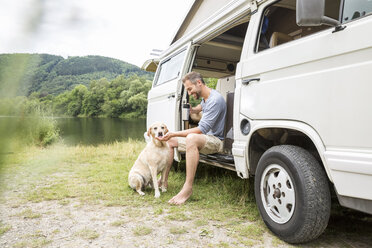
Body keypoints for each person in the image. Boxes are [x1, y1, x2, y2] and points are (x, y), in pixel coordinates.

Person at [156, 71, 226, 205]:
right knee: (170, 141)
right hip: (206, 137)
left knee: (192, 138)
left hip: (217, 140)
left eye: (190, 89)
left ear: (199, 83)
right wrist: (193, 110)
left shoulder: (215, 100)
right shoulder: (206, 98)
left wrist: (174, 132)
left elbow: (201, 130)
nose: (189, 93)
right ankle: (163, 181)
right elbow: (201, 107)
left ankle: (187, 188)